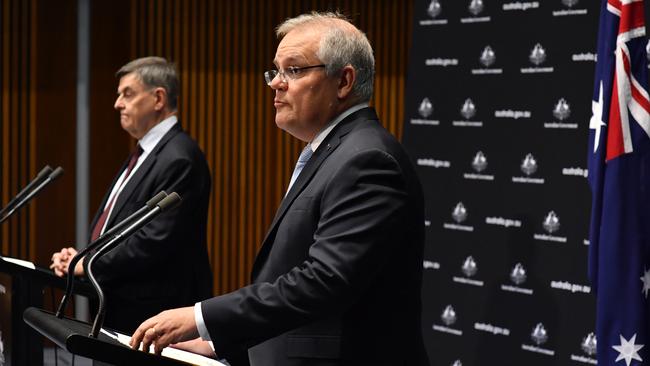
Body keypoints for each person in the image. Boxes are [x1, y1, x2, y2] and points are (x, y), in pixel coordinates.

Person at [131, 12, 428, 366]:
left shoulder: (367, 159)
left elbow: (324, 281)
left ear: (344, 81)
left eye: (295, 70)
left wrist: (200, 317)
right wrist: (218, 343)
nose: (276, 83)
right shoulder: (334, 152)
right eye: (276, 70)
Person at [50, 56, 213, 334]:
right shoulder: (146, 153)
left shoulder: (179, 158)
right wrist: (81, 258)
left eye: (128, 94)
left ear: (158, 98)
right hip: (122, 306)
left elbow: (154, 241)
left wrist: (85, 263)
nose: (117, 104)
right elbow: (117, 226)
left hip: (152, 314)